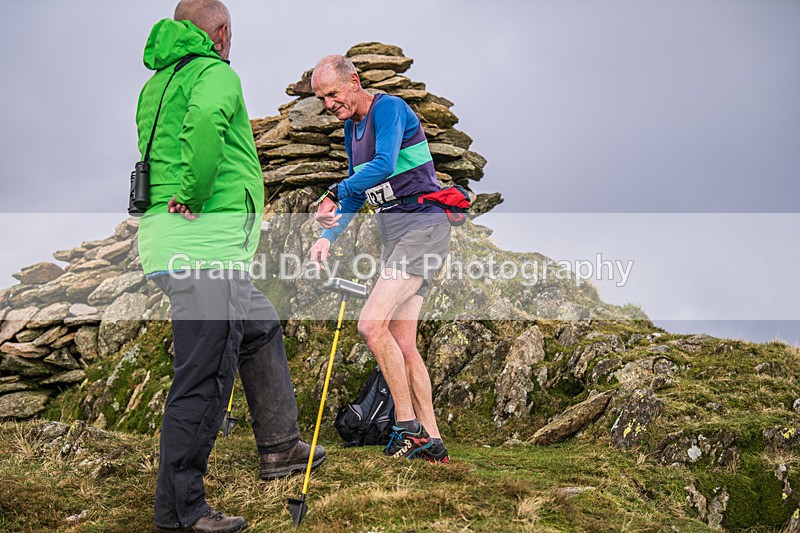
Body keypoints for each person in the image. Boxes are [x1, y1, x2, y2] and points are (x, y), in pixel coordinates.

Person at [135, 2, 325, 531]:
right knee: (204, 377)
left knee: (260, 327)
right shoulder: (216, 72)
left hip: (174, 244)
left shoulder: (158, 83)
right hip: (204, 246)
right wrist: (194, 191)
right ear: (221, 32)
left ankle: (281, 447)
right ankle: (181, 512)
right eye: (230, 34)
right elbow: (205, 125)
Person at [308, 55, 451, 463]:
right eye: (321, 99)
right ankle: (434, 443)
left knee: (371, 324)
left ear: (354, 82)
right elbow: (357, 193)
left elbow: (385, 164)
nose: (329, 104)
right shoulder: (352, 131)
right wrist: (327, 237)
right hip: (400, 237)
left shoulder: (388, 108)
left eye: (333, 94)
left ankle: (407, 430)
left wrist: (333, 190)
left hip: (424, 227)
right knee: (405, 344)